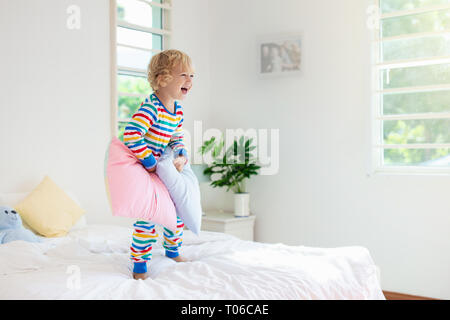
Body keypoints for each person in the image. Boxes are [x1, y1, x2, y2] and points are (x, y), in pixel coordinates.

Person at [123, 49, 194, 280]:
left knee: (177, 208)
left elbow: (175, 136)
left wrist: (180, 151)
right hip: (146, 169)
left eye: (192, 76)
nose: (190, 81)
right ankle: (140, 264)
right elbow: (132, 134)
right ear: (163, 79)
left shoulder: (177, 109)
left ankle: (173, 250)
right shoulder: (151, 107)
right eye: (184, 75)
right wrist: (150, 162)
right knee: (149, 217)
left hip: (164, 168)